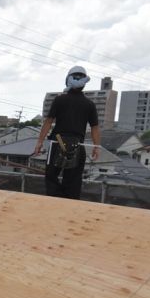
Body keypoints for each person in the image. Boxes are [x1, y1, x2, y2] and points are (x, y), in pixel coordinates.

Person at [32, 66, 102, 199]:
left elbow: (48, 122)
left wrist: (39, 142)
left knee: (52, 176)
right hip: (77, 145)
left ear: (68, 80)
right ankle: (69, 205)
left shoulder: (60, 100)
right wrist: (97, 147)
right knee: (73, 181)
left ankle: (55, 201)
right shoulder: (89, 104)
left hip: (57, 143)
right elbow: (95, 128)